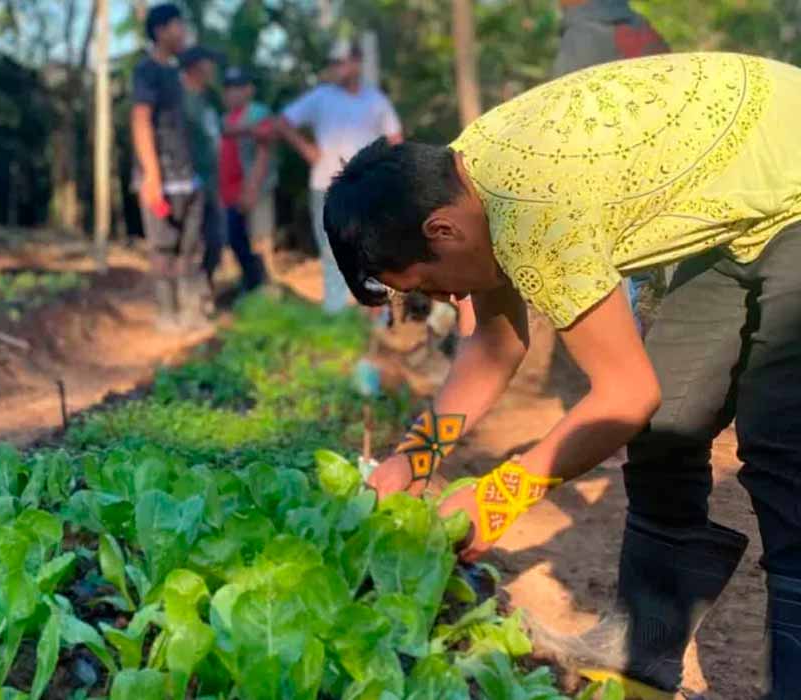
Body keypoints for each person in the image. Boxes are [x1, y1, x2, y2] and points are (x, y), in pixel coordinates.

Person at [323, 52, 801, 698]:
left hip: (790, 180)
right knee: (670, 419)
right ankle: (643, 648)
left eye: (431, 286)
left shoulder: (529, 209)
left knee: (781, 442)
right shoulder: (460, 181)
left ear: (442, 231)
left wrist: (498, 498)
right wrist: (411, 461)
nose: (444, 301)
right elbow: (493, 348)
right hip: (741, 209)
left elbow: (624, 394)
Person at [555, 0, 670, 334]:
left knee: (629, 283)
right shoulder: (640, 25)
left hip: (617, 177)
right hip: (666, 167)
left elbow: (566, 117)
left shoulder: (584, 36)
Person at [276, 39, 403, 314]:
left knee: (371, 249)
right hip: (326, 186)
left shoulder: (376, 101)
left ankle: (375, 315)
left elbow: (395, 140)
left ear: (356, 63)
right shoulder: (321, 97)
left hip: (365, 189)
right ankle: (336, 315)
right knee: (333, 251)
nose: (335, 68)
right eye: (332, 63)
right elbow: (283, 122)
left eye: (340, 61)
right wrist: (307, 149)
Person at [130, 3, 207, 330]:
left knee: (189, 248)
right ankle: (166, 313)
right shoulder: (146, 70)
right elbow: (141, 120)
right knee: (163, 247)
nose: (183, 32)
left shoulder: (177, 75)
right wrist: (151, 176)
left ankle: (190, 312)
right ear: (160, 31)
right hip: (160, 177)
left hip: (188, 177)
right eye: (178, 26)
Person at [218, 66, 277, 292]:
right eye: (229, 89)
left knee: (259, 239)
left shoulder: (258, 112)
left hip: (255, 188)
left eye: (238, 88)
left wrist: (252, 187)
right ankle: (247, 285)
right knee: (235, 241)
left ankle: (267, 287)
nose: (232, 93)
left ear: (249, 90)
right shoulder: (224, 118)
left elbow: (264, 143)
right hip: (228, 191)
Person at [178, 45, 224, 312]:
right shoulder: (181, 99)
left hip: (211, 183)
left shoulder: (207, 100)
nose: (213, 70)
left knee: (216, 239)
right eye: (209, 64)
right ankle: (188, 299)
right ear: (196, 66)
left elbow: (215, 136)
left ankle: (204, 286)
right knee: (190, 241)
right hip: (189, 182)